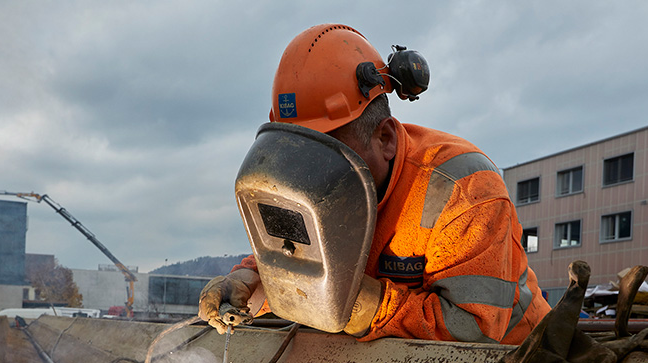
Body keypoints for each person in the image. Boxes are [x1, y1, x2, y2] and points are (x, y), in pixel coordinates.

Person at [199, 23, 551, 344]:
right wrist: (252, 281)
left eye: (328, 154)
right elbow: (297, 256)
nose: (310, 175)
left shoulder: (463, 189)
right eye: (299, 154)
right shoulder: (310, 186)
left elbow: (475, 331)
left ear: (384, 138)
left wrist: (360, 303)